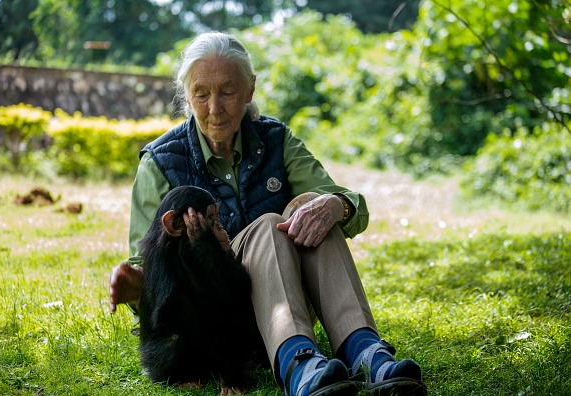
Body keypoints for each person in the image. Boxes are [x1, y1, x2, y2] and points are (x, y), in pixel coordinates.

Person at [109, 32, 426, 396]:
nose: (215, 108)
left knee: (314, 206)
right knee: (270, 225)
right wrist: (137, 284)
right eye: (201, 94)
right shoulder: (160, 162)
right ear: (187, 96)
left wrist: (336, 205)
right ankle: (300, 366)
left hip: (288, 291)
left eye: (228, 92)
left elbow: (348, 204)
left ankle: (367, 352)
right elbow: (148, 267)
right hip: (218, 318)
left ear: (250, 89)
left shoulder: (276, 138)